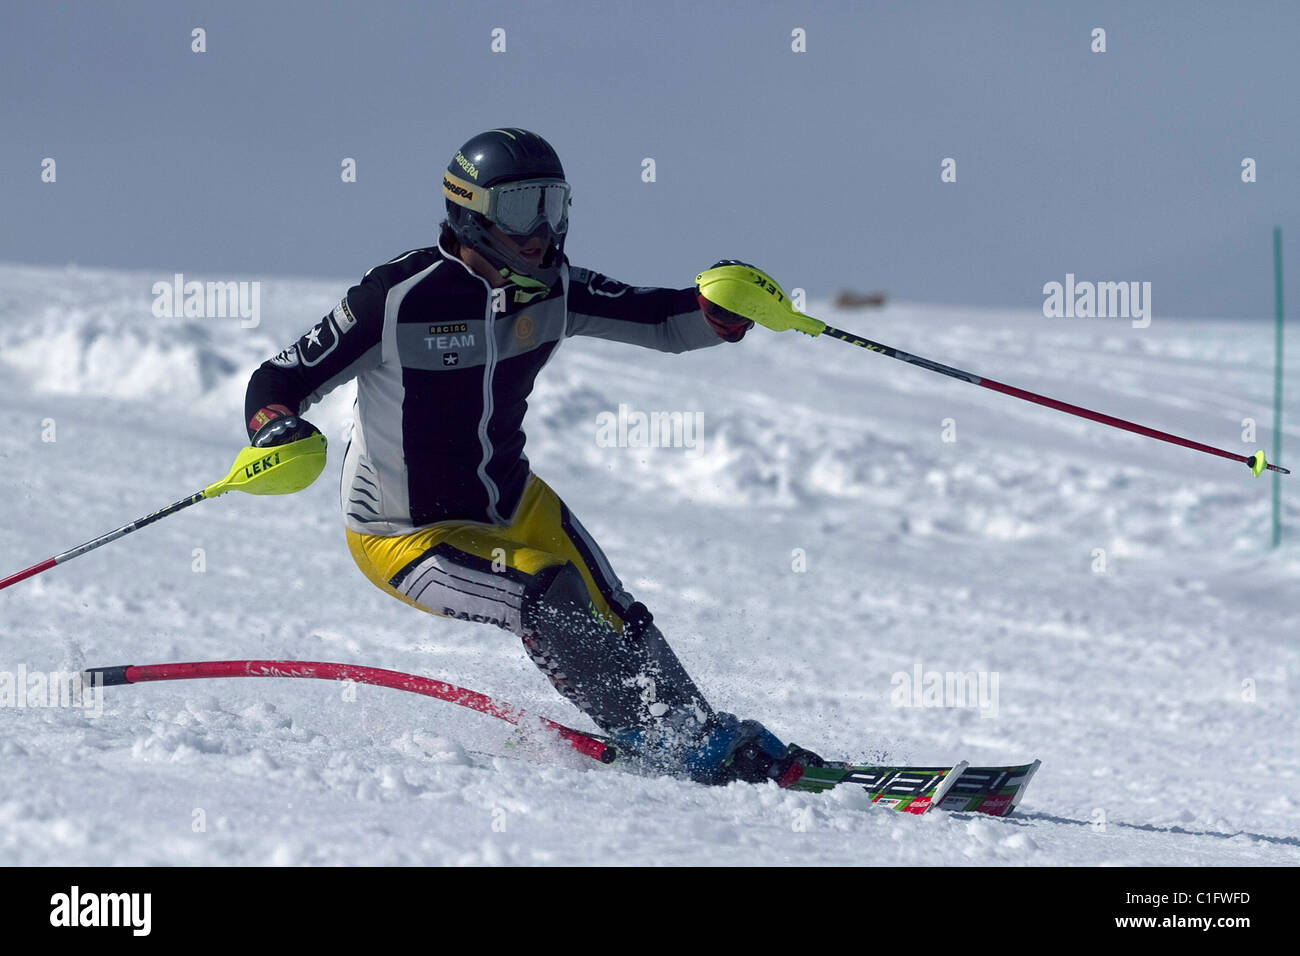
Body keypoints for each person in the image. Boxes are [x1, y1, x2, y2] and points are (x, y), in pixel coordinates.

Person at [243, 128, 821, 786]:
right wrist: (274, 427)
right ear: (471, 212)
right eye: (523, 208)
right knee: (545, 597)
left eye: (555, 204)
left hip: (514, 503)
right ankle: (657, 740)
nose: (544, 229)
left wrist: (719, 312)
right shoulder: (397, 298)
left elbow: (661, 319)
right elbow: (278, 379)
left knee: (611, 608)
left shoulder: (554, 290)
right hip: (407, 535)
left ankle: (696, 732)